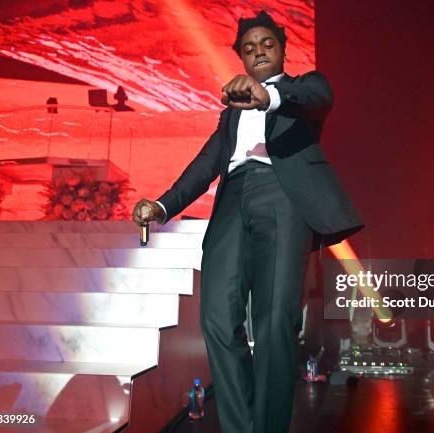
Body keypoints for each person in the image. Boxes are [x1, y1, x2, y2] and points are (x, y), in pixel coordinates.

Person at [132, 10, 363, 433]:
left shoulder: (300, 90)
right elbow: (205, 165)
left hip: (283, 195)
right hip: (232, 200)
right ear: (241, 58)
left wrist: (267, 97)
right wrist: (162, 206)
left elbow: (320, 96)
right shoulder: (231, 114)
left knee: (275, 320)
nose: (258, 52)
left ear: (282, 50)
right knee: (217, 319)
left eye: (267, 44)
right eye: (249, 48)